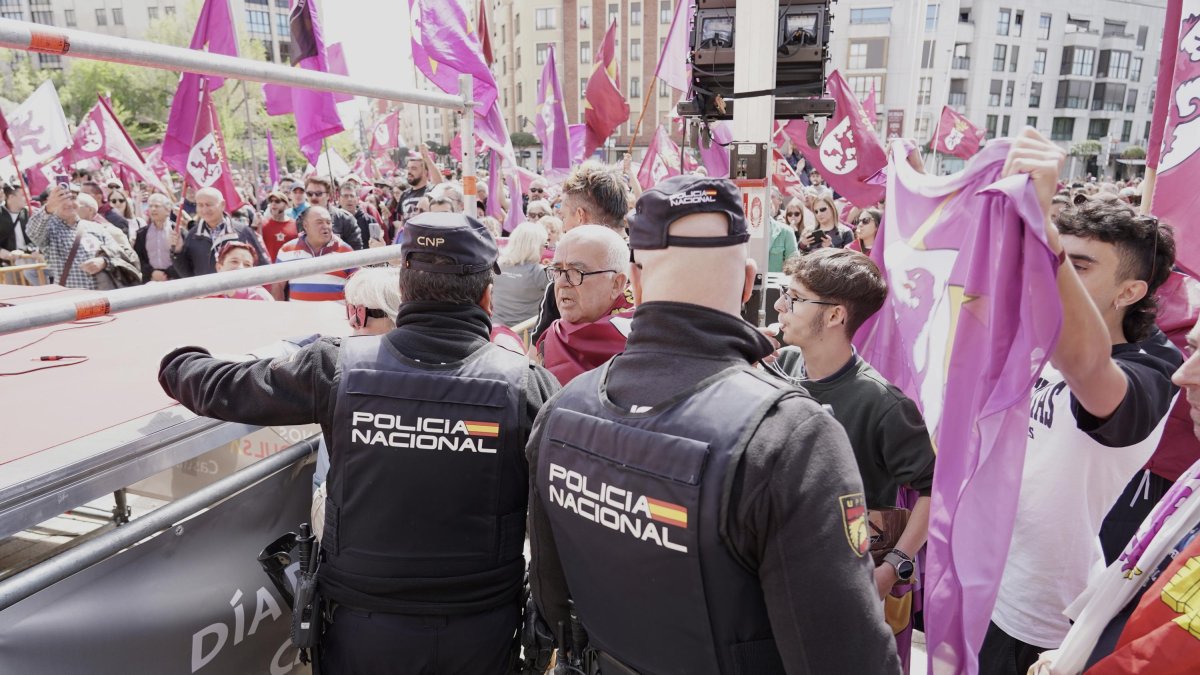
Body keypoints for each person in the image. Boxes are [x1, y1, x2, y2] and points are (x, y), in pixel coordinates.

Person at [527, 175, 901, 674]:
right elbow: (845, 657)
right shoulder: (791, 437)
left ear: (634, 281)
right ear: (748, 283)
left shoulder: (562, 410)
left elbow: (551, 598)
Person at [159, 212, 559, 673]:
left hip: (362, 630)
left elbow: (217, 387)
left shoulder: (336, 366)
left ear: (404, 287)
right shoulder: (529, 386)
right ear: (487, 295)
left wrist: (179, 360)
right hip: (479, 631)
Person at [980, 129, 1182, 675]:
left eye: (1080, 265)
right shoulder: (1029, 329)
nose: (1054, 272)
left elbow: (1088, 367)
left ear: (1130, 292)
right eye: (1057, 258)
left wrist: (1044, 234)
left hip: (1046, 623)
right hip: (985, 582)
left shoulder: (1156, 367)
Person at [773, 248, 935, 665]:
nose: (779, 306)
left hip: (850, 584)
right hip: (781, 573)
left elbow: (935, 491)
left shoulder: (882, 403)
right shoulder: (781, 365)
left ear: (834, 315)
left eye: (794, 298)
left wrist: (893, 567)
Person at [310, 265, 403, 532]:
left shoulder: (347, 371)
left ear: (393, 315)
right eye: (350, 311)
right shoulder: (344, 361)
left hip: (360, 526)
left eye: (360, 314)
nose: (352, 322)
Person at [531, 161, 631, 343]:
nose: (563, 227)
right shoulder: (655, 265)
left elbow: (536, 353)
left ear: (580, 216)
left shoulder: (564, 278)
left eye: (564, 217)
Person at [534, 225, 632, 385]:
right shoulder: (554, 336)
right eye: (557, 270)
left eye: (577, 272)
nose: (562, 283)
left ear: (616, 284)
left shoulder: (639, 339)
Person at [26, 185, 126, 289]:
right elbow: (32, 231)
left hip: (103, 294)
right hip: (72, 297)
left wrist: (104, 261)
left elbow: (118, 253)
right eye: (62, 198)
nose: (69, 203)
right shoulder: (50, 230)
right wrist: (48, 208)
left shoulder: (95, 227)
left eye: (73, 198)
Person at [171, 187, 268, 278]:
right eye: (200, 205)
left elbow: (263, 265)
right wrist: (178, 252)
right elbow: (187, 274)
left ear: (222, 205)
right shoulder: (193, 235)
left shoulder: (242, 232)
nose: (204, 209)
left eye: (209, 204)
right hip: (208, 290)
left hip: (238, 289)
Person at [272, 205, 356, 302]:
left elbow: (357, 288)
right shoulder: (287, 250)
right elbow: (278, 286)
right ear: (306, 226)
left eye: (328, 222)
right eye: (319, 222)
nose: (325, 226)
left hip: (335, 312)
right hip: (298, 312)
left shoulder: (346, 251)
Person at [492, 221, 549, 327]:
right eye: (545, 244)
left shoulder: (497, 266)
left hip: (496, 330)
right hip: (524, 333)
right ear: (535, 246)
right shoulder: (539, 273)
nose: (545, 249)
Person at [303, 176, 364, 250]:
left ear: (328, 195)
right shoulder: (301, 219)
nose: (313, 197)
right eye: (309, 194)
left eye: (318, 193)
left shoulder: (346, 219)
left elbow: (356, 251)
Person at [134, 193, 180, 282]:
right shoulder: (142, 234)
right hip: (151, 280)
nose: (153, 209)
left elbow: (183, 256)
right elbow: (139, 258)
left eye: (157, 206)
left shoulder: (177, 231)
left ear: (167, 210)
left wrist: (167, 273)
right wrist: (152, 272)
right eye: (150, 206)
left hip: (175, 279)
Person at [207, 241, 273, 301]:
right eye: (234, 261)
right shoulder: (206, 291)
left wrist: (233, 292)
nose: (240, 268)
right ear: (219, 267)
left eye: (247, 264)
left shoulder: (261, 295)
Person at [398, 148, 442, 223]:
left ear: (425, 172)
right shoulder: (404, 194)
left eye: (414, 168)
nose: (409, 172)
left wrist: (426, 158)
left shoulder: (431, 190)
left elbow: (439, 183)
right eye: (408, 168)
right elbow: (402, 221)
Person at [337, 182, 382, 248]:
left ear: (358, 200)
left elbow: (378, 245)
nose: (349, 199)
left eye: (352, 196)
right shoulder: (332, 221)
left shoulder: (370, 221)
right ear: (339, 200)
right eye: (345, 196)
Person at [260, 190, 297, 263]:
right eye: (271, 201)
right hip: (269, 267)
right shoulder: (262, 224)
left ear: (286, 205)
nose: (273, 204)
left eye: (277, 201)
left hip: (290, 266)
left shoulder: (295, 224)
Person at [0, 183, 30, 264]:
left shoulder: (27, 213)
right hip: (7, 262)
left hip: (28, 258)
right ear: (11, 197)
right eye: (23, 195)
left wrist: (33, 249)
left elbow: (36, 238)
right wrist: (1, 251)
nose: (27, 198)